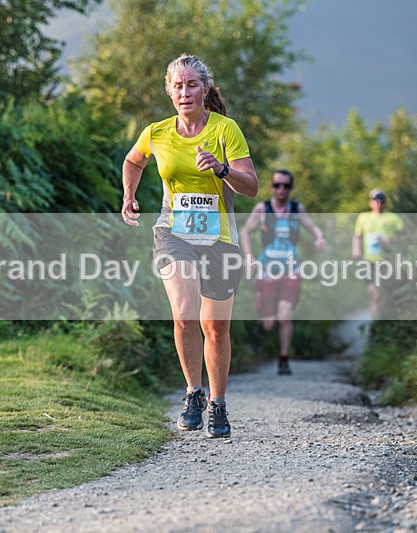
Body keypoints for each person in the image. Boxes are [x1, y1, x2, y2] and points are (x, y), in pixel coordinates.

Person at [121, 54, 258, 438]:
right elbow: (133, 161)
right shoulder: (157, 132)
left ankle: (218, 403)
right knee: (184, 312)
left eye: (192, 85)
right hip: (173, 233)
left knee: (215, 328)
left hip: (220, 238)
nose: (185, 92)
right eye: (178, 86)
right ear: (169, 90)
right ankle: (193, 392)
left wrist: (223, 169)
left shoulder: (225, 130)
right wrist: (129, 195)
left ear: (205, 88)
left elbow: (251, 186)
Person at [239, 170, 327, 375]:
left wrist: (320, 237)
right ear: (272, 187)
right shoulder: (263, 209)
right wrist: (249, 256)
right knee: (269, 324)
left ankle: (284, 359)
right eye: (277, 185)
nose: (281, 189)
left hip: (291, 270)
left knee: (285, 315)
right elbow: (245, 231)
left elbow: (312, 227)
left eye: (286, 186)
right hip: (266, 270)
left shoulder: (296, 209)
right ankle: (261, 327)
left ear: (291, 188)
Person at [351, 188, 404, 319]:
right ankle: (375, 324)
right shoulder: (363, 218)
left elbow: (404, 236)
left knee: (386, 296)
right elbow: (357, 236)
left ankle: (383, 325)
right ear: (370, 203)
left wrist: (390, 242)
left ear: (385, 203)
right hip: (369, 261)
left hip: (388, 260)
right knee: (375, 295)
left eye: (381, 200)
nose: (378, 203)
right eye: (375, 200)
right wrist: (356, 250)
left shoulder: (393, 218)